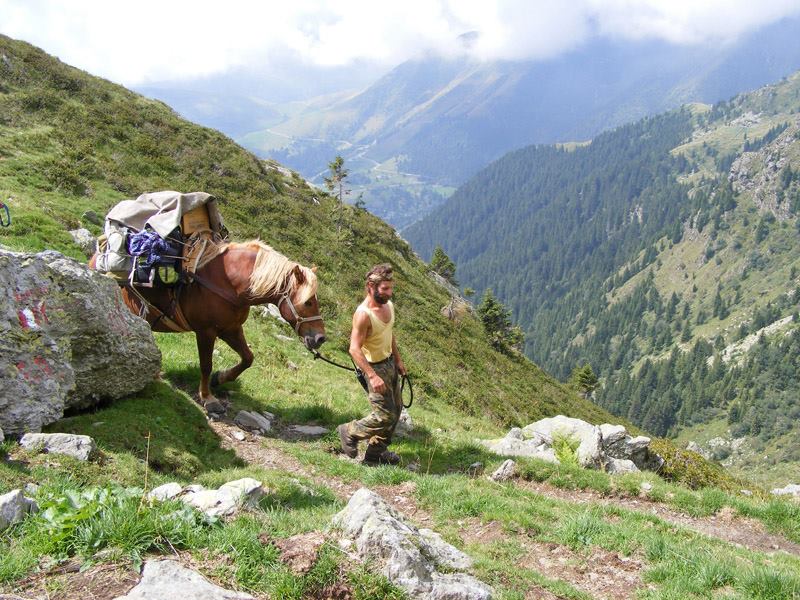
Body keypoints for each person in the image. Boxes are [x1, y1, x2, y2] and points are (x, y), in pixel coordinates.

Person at [338, 263, 407, 465]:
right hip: (374, 367)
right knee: (384, 416)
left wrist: (398, 359)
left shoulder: (389, 305)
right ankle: (349, 431)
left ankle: (375, 454)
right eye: (385, 289)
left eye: (391, 288)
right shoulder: (363, 314)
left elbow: (389, 333)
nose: (389, 293)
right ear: (370, 286)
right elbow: (354, 349)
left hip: (390, 364)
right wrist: (372, 375)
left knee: (397, 410)